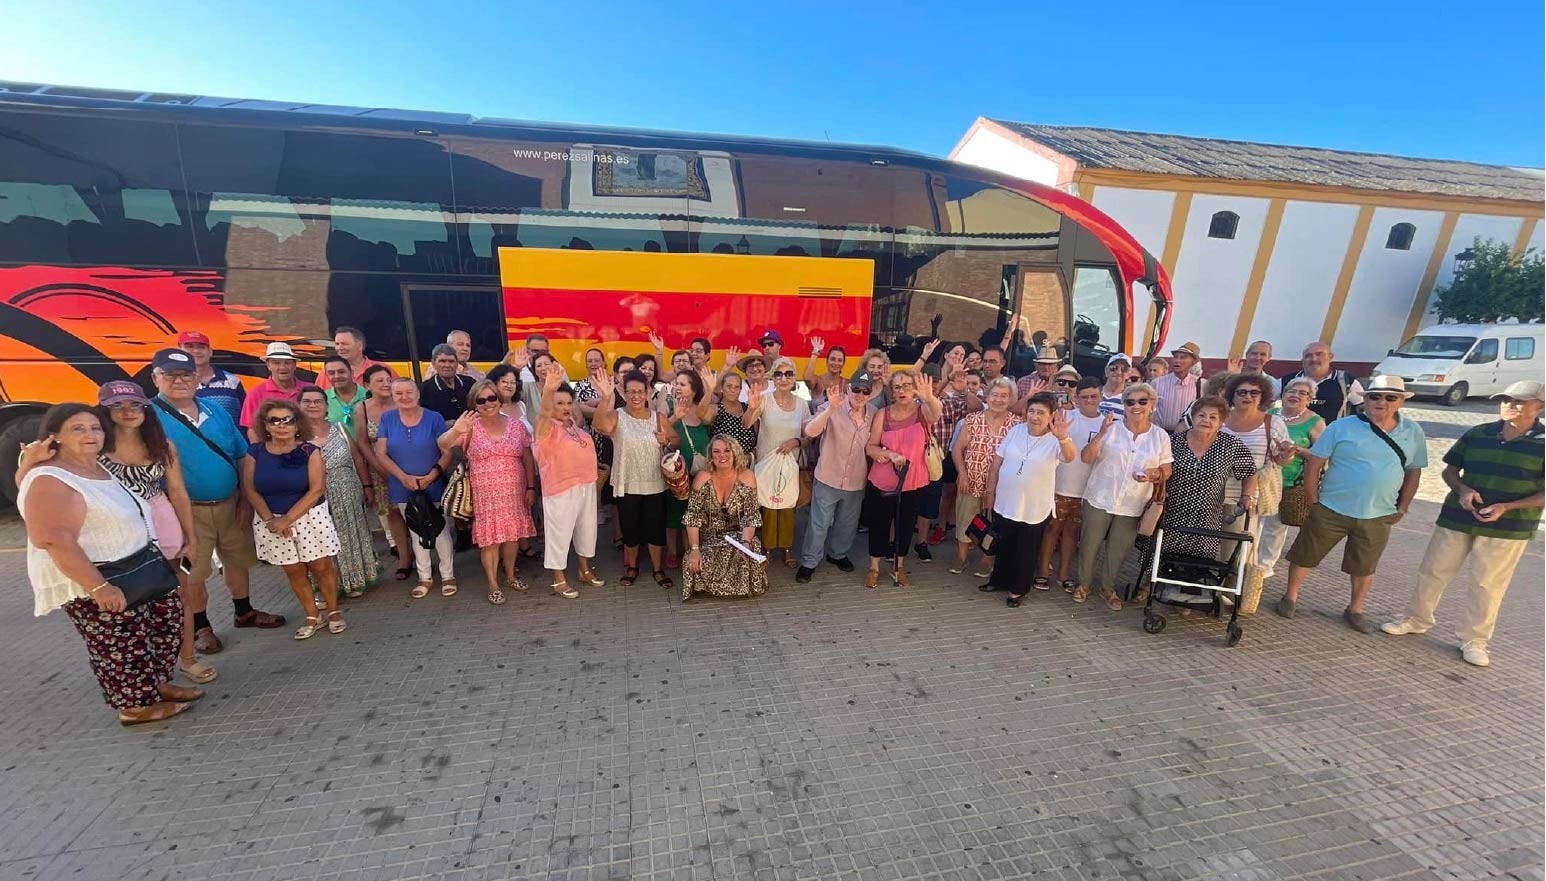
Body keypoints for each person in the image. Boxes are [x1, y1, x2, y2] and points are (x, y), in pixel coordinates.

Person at [19, 404, 203, 725]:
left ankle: (158, 684)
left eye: (95, 428)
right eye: (78, 429)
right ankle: (135, 706)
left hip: (139, 565)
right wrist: (98, 587)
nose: (91, 435)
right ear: (54, 437)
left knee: (162, 628)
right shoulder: (51, 477)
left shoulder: (95, 466)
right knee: (121, 644)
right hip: (103, 576)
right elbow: (52, 537)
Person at [1380, 381, 1544, 666]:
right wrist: (1463, 491)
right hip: (1457, 517)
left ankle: (1474, 639)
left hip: (1508, 527)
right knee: (1432, 571)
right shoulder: (1479, 433)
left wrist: (1507, 506)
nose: (1510, 405)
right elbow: (1450, 471)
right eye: (1506, 400)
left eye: (1519, 401)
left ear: (1539, 406)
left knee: (1487, 584)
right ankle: (1416, 619)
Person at [148, 348, 283, 653]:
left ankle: (244, 611)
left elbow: (240, 454)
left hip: (229, 502)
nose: (180, 381)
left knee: (237, 559)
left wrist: (246, 500)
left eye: (186, 374)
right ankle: (201, 627)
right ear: (155, 378)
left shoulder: (215, 410)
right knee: (192, 570)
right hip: (184, 510)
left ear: (197, 378)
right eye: (170, 375)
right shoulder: (147, 418)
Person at [1275, 376, 1426, 632]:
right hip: (1332, 506)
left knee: (1365, 564)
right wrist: (1313, 499)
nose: (1382, 402)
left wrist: (1403, 506)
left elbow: (1414, 471)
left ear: (1400, 401)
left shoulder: (1413, 431)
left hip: (1379, 511)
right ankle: (1290, 597)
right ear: (1365, 399)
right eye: (1375, 396)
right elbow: (1316, 462)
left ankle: (1356, 608)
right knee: (1305, 554)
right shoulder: (1341, 427)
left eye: (1390, 397)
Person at [240, 400, 346, 640]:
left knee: (321, 566)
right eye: (274, 420)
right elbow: (250, 489)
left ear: (297, 423)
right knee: (294, 570)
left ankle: (333, 611)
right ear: (265, 426)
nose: (281, 425)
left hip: (309, 517)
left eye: (287, 419)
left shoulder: (310, 451)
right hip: (271, 520)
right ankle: (312, 615)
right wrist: (271, 520)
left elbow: (317, 489)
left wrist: (288, 519)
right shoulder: (255, 452)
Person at [1139, 396, 1259, 606]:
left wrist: (1246, 496)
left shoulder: (1230, 445)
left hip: (1207, 513)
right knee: (1161, 548)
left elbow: (1250, 471)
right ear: (1192, 417)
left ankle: (1189, 595)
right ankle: (1149, 586)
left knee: (1198, 557)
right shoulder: (1174, 441)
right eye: (1202, 415)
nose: (1207, 420)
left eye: (1214, 417)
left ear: (1222, 421)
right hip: (1173, 508)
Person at [1075, 381, 1172, 611]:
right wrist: (1100, 434)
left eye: (1142, 401)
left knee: (1119, 549)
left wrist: (1154, 473)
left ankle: (1108, 588)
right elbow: (1086, 457)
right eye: (1130, 402)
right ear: (1124, 405)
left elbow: (1167, 469)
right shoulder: (1110, 427)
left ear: (1152, 405)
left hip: (1133, 502)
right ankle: (1083, 584)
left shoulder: (1160, 436)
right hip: (1100, 495)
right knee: (1089, 545)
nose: (1135, 406)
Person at [439, 379, 538, 602]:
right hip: (486, 496)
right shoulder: (469, 425)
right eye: (481, 400)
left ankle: (511, 575)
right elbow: (443, 445)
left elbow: (527, 457)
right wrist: (456, 430)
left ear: (499, 399)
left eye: (492, 397)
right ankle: (493, 583)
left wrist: (531, 487)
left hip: (515, 492)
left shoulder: (515, 425)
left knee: (512, 536)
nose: (487, 403)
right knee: (490, 541)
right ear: (474, 403)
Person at [981, 394, 1076, 606]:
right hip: (1005, 500)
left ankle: (1018, 589)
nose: (1034, 417)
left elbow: (1070, 457)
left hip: (1034, 506)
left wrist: (1063, 438)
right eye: (1031, 411)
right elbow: (997, 461)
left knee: (1026, 550)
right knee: (1004, 544)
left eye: (1041, 413)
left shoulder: (1055, 440)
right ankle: (999, 581)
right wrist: (990, 491)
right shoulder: (1016, 431)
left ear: (1051, 416)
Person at [374, 378, 456, 599]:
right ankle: (424, 576)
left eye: (409, 392)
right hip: (402, 485)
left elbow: (447, 450)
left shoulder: (433, 418)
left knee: (440, 528)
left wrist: (433, 474)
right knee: (415, 529)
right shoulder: (388, 419)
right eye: (398, 393)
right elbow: (381, 452)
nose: (404, 397)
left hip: (432, 482)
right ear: (392, 396)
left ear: (418, 394)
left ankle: (448, 575)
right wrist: (402, 477)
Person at [593, 369, 674, 589]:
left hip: (655, 483)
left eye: (640, 391)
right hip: (626, 483)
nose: (636, 396)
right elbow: (599, 426)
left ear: (648, 392)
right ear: (625, 393)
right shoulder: (617, 416)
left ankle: (658, 569)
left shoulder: (658, 418)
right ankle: (632, 568)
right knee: (630, 529)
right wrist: (606, 398)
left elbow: (675, 441)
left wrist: (666, 439)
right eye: (631, 392)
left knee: (655, 529)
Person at [863, 368, 941, 588]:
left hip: (913, 481)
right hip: (883, 481)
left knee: (906, 525)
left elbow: (936, 413)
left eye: (907, 385)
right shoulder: (883, 415)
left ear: (914, 388)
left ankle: (898, 567)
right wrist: (887, 454)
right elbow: (870, 447)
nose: (902, 390)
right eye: (897, 386)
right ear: (892, 391)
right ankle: (874, 567)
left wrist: (929, 397)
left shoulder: (922, 411)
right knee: (879, 524)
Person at [298, 385, 378, 598]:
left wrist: (367, 486)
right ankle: (326, 586)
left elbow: (358, 459)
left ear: (326, 406)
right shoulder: (294, 435)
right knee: (319, 539)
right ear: (299, 405)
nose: (313, 405)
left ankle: (354, 580)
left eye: (318, 401)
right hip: (312, 495)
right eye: (307, 401)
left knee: (349, 534)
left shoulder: (340, 428)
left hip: (346, 490)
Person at [534, 367, 606, 598]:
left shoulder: (574, 426)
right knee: (560, 534)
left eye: (567, 403)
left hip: (585, 486)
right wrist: (548, 390)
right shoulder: (545, 429)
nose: (565, 408)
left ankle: (584, 570)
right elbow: (544, 413)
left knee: (586, 531)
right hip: (560, 488)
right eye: (559, 403)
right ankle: (558, 579)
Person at [798, 373, 878, 582]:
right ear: (848, 388)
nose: (860, 394)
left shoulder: (875, 414)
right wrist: (831, 409)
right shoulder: (833, 405)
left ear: (870, 394)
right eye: (857, 389)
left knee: (847, 523)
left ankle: (838, 554)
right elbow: (810, 431)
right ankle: (809, 562)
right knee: (819, 523)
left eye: (865, 391)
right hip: (828, 476)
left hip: (856, 479)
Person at [682, 433, 768, 600]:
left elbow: (751, 515)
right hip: (710, 536)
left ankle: (735, 588)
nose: (722, 456)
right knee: (691, 561)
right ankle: (720, 587)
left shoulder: (747, 476)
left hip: (738, 534)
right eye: (716, 451)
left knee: (753, 548)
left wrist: (745, 544)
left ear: (735, 453)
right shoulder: (703, 477)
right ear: (711, 455)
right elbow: (692, 515)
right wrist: (694, 549)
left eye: (727, 450)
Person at [1256, 377, 1327, 580]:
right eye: (1291, 391)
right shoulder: (1269, 414)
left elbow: (1321, 455)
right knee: (1255, 523)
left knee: (1275, 527)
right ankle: (1247, 562)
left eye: (1302, 393)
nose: (1295, 395)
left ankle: (1263, 567)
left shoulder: (1315, 421)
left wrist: (1298, 449)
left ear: (1310, 398)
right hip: (1263, 478)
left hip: (1290, 482)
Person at [1038, 377, 1105, 591]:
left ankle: (1064, 574)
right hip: (1059, 485)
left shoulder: (1108, 423)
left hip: (1087, 490)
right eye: (1084, 397)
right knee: (1051, 530)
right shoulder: (1065, 416)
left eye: (1094, 396)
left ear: (1101, 397)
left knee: (1071, 533)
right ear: (1076, 398)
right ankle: (1042, 573)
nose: (1089, 401)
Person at [950, 377, 1021, 577]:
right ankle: (961, 558)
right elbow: (957, 449)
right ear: (987, 396)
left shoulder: (1017, 424)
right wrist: (962, 474)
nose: (998, 400)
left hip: (1001, 485)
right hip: (971, 479)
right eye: (995, 395)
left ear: (1011, 399)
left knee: (993, 523)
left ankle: (986, 559)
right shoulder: (973, 419)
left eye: (1004, 396)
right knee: (966, 518)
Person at [353, 364, 414, 582]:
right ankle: (405, 559)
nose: (386, 384)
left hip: (407, 467)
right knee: (393, 514)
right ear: (367, 385)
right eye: (380, 380)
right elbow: (362, 442)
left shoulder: (402, 403)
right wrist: (379, 468)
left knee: (413, 512)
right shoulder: (362, 408)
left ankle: (423, 554)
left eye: (388, 380)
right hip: (380, 471)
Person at [756, 357, 813, 567]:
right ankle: (769, 547)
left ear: (794, 378)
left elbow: (809, 436)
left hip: (791, 464)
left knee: (789, 508)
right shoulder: (763, 399)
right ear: (772, 377)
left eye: (788, 374)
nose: (783, 378)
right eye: (779, 374)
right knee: (769, 507)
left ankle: (788, 548)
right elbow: (747, 422)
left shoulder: (802, 404)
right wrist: (752, 407)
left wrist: (796, 440)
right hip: (766, 464)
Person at [663, 368, 717, 568]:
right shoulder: (668, 405)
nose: (677, 387)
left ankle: (691, 552)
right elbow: (660, 432)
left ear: (694, 390)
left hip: (702, 470)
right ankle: (671, 551)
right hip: (677, 469)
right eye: (676, 383)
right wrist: (675, 417)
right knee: (674, 511)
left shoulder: (705, 408)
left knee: (695, 512)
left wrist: (710, 390)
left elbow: (707, 418)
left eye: (683, 384)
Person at [1282, 341, 1364, 423]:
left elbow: (1363, 407)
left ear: (1330, 357)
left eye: (1319, 354)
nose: (1314, 359)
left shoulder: (1346, 381)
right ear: (1302, 360)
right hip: (1294, 434)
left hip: (1332, 434)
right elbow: (1269, 400)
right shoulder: (1287, 380)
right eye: (1308, 356)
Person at [238, 342, 304, 441]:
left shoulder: (309, 389)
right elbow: (252, 429)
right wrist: (260, 454)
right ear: (268, 365)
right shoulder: (256, 393)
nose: (282, 367)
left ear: (295, 365)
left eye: (287, 362)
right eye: (276, 363)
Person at [179, 330, 245, 425]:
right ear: (180, 351)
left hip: (231, 439)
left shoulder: (232, 380)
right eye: (189, 346)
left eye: (202, 347)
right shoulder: (175, 383)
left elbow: (246, 418)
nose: (196, 351)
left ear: (210, 352)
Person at [420, 344, 476, 424]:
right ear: (433, 363)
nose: (447, 365)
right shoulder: (424, 390)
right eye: (442, 361)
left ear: (457, 364)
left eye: (451, 361)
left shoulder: (470, 383)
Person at [1152, 341, 1201, 432]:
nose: (1177, 360)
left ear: (1193, 362)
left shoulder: (1198, 384)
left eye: (1183, 357)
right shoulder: (1157, 383)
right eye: (1175, 357)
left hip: (1188, 436)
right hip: (1162, 434)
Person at [711, 370, 760, 458]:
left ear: (740, 390)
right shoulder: (716, 409)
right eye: (729, 386)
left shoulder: (747, 408)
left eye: (736, 387)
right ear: (722, 388)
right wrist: (709, 390)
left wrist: (750, 457)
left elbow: (757, 439)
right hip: (722, 463)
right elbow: (701, 414)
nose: (732, 390)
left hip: (746, 464)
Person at [325, 326, 391, 389]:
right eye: (337, 344)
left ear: (359, 345)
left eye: (344, 344)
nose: (340, 348)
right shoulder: (327, 372)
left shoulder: (383, 369)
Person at [321, 355, 367, 436]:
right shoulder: (322, 399)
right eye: (331, 373)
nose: (337, 376)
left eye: (341, 372)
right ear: (327, 376)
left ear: (352, 372)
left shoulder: (368, 396)